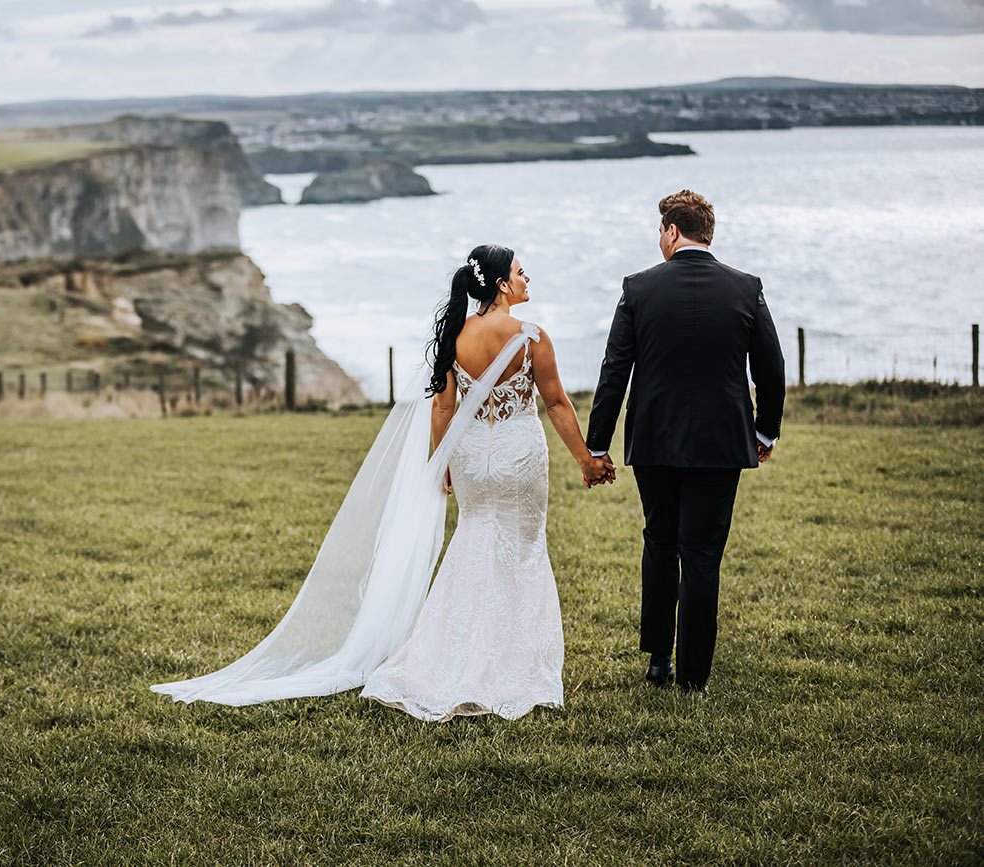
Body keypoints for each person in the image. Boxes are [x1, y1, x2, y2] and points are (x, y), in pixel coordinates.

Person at [152, 245, 613, 719]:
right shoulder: (532, 336)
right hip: (519, 456)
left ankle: (450, 657)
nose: (526, 278)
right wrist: (586, 459)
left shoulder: (457, 337)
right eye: (520, 272)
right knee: (523, 548)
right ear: (500, 283)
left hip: (473, 457)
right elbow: (556, 403)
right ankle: (516, 665)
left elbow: (443, 409)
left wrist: (445, 463)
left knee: (473, 543)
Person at [585, 190, 786, 696]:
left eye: (660, 230)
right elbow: (772, 367)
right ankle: (693, 677)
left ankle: (658, 660)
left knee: (660, 540)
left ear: (673, 231)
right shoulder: (746, 288)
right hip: (722, 443)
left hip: (654, 439)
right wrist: (765, 430)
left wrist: (597, 443)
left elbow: (614, 372)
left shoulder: (638, 288)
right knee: (701, 554)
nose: (659, 239)